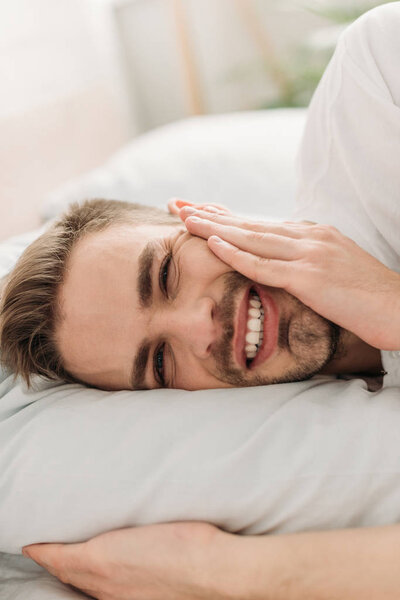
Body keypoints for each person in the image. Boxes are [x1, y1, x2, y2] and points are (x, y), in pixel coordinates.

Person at [12, 2, 400, 598]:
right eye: (160, 364)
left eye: (165, 273)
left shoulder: (378, 78)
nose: (201, 328)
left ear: (201, 216)